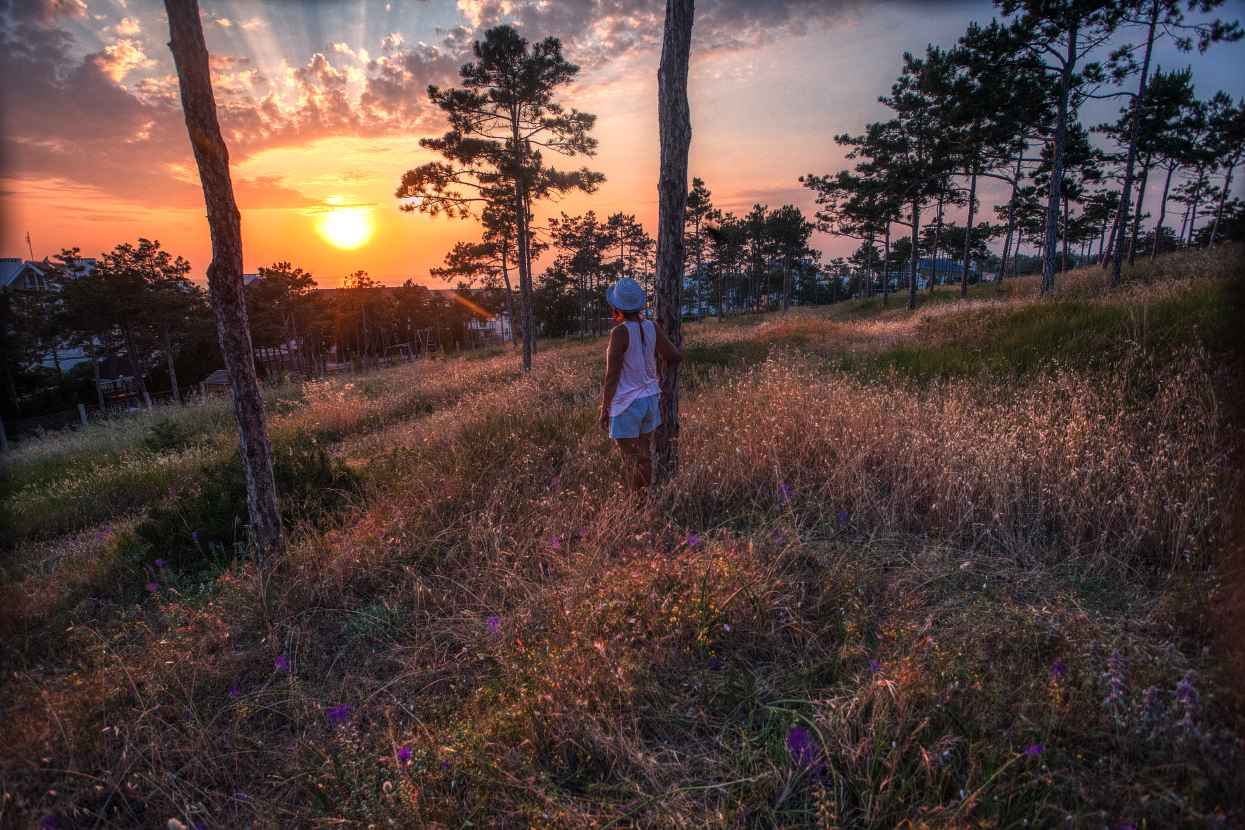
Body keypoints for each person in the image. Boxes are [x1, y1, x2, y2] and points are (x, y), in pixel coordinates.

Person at [599, 277, 684, 497]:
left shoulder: (619, 333)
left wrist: (604, 408)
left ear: (617, 307)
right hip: (649, 401)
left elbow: (612, 376)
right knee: (644, 458)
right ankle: (643, 503)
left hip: (628, 405)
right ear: (640, 305)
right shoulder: (651, 327)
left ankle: (636, 507)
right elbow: (675, 355)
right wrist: (682, 343)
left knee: (632, 462)